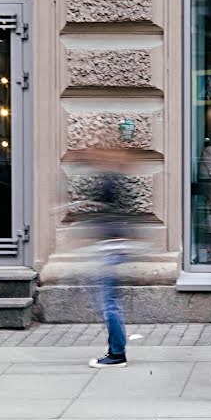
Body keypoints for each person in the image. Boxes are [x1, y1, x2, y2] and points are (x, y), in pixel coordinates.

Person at [79, 148, 134, 369]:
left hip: (110, 250)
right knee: (111, 303)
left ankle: (117, 353)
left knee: (109, 304)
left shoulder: (109, 183)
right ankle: (116, 350)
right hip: (113, 249)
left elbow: (108, 217)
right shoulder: (114, 181)